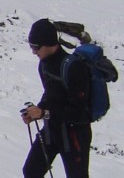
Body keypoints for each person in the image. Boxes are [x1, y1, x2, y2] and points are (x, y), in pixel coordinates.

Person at [21, 19, 93, 178]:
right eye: (31, 47)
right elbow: (50, 95)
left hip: (75, 134)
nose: (34, 52)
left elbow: (78, 112)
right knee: (31, 171)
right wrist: (35, 112)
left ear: (49, 44)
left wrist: (44, 113)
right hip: (52, 129)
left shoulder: (74, 67)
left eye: (36, 47)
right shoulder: (44, 64)